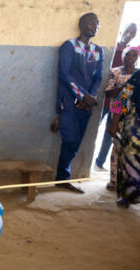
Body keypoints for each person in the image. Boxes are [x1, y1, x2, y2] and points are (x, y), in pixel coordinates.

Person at [50, 13, 104, 193]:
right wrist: (83, 95)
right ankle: (62, 178)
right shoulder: (69, 46)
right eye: (91, 22)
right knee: (70, 139)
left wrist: (91, 96)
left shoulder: (99, 50)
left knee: (77, 141)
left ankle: (62, 178)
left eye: (97, 24)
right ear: (81, 24)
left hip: (86, 104)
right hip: (70, 102)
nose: (94, 26)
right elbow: (65, 75)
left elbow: (98, 77)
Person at [94, 23, 137, 171]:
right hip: (106, 100)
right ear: (121, 31)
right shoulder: (113, 48)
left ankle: (100, 161)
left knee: (111, 134)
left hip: (120, 107)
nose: (129, 34)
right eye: (128, 31)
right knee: (96, 128)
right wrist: (122, 88)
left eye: (133, 32)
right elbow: (110, 88)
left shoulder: (131, 53)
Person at [104, 47, 139, 191]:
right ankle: (114, 179)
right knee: (118, 147)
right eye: (128, 54)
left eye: (134, 55)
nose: (131, 57)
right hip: (122, 118)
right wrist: (114, 121)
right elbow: (121, 98)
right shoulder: (135, 76)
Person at [107, 68, 140, 208]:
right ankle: (127, 196)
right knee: (129, 161)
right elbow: (124, 96)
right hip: (136, 125)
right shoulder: (138, 76)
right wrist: (114, 121)